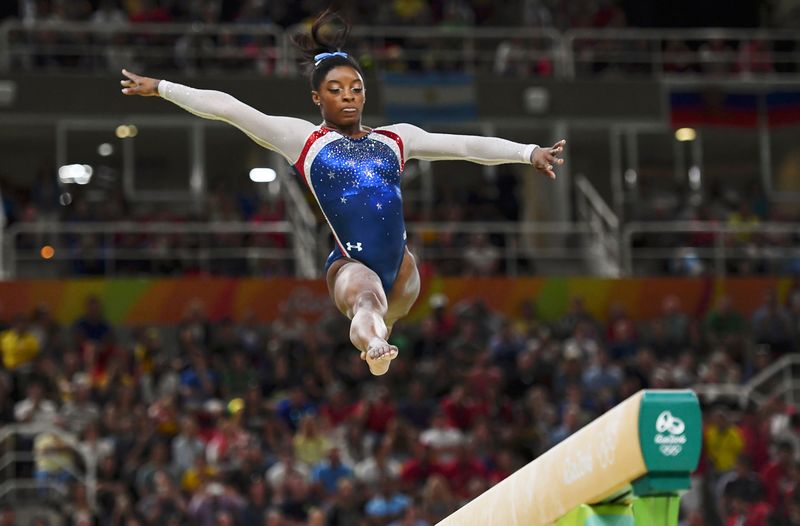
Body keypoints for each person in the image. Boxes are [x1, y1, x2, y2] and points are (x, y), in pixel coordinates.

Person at [119, 9, 565, 376]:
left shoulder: (396, 138)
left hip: (405, 271)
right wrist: (162, 87)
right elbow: (231, 109)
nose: (348, 97)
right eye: (335, 90)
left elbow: (465, 146)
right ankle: (374, 345)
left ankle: (380, 330)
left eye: (356, 88)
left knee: (386, 301)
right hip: (351, 264)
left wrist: (528, 153)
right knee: (367, 300)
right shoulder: (305, 142)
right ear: (317, 98)